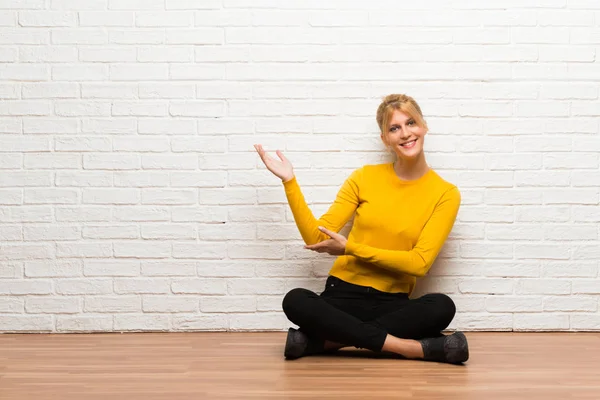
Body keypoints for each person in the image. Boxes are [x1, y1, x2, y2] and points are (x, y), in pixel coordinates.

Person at [253, 94, 468, 364]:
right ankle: (413, 349)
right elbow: (316, 237)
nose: (405, 133)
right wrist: (289, 181)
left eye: (410, 123)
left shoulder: (445, 193)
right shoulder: (364, 177)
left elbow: (419, 263)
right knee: (295, 299)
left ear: (424, 126)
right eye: (394, 128)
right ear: (385, 139)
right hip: (341, 295)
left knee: (441, 306)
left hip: (393, 302)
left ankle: (327, 342)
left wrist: (350, 247)